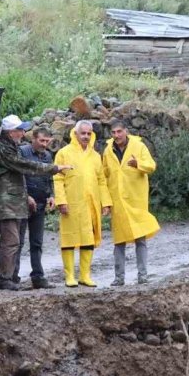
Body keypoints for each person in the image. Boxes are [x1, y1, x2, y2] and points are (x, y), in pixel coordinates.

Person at [0, 115, 69, 291]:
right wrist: (53, 168)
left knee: (16, 241)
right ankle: (5, 279)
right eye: (19, 130)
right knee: (12, 241)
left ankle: (11, 277)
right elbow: (23, 166)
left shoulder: (10, 146)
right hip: (5, 201)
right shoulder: (3, 149)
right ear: (11, 132)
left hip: (15, 201)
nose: (22, 133)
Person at [54, 120, 112, 288]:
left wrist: (105, 203)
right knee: (69, 238)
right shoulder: (64, 153)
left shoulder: (95, 156)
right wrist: (61, 201)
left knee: (89, 238)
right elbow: (57, 178)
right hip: (71, 203)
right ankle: (70, 275)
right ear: (76, 133)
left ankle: (85, 275)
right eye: (83, 133)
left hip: (90, 205)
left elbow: (101, 181)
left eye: (89, 133)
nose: (86, 136)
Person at [102, 119, 159, 285]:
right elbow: (104, 176)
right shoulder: (108, 151)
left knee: (140, 239)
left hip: (136, 200)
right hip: (118, 201)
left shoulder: (139, 147)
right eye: (113, 133)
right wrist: (105, 201)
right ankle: (119, 278)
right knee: (119, 241)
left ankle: (143, 275)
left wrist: (138, 164)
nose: (116, 135)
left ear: (126, 131)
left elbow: (151, 166)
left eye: (119, 131)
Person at [14, 126, 56, 289]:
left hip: (40, 204)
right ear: (33, 139)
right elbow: (18, 176)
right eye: (41, 141)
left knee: (37, 242)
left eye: (47, 141)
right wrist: (26, 196)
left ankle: (38, 276)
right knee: (18, 241)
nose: (44, 144)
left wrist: (51, 195)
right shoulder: (23, 152)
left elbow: (50, 177)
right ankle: (13, 277)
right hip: (23, 204)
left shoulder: (47, 155)